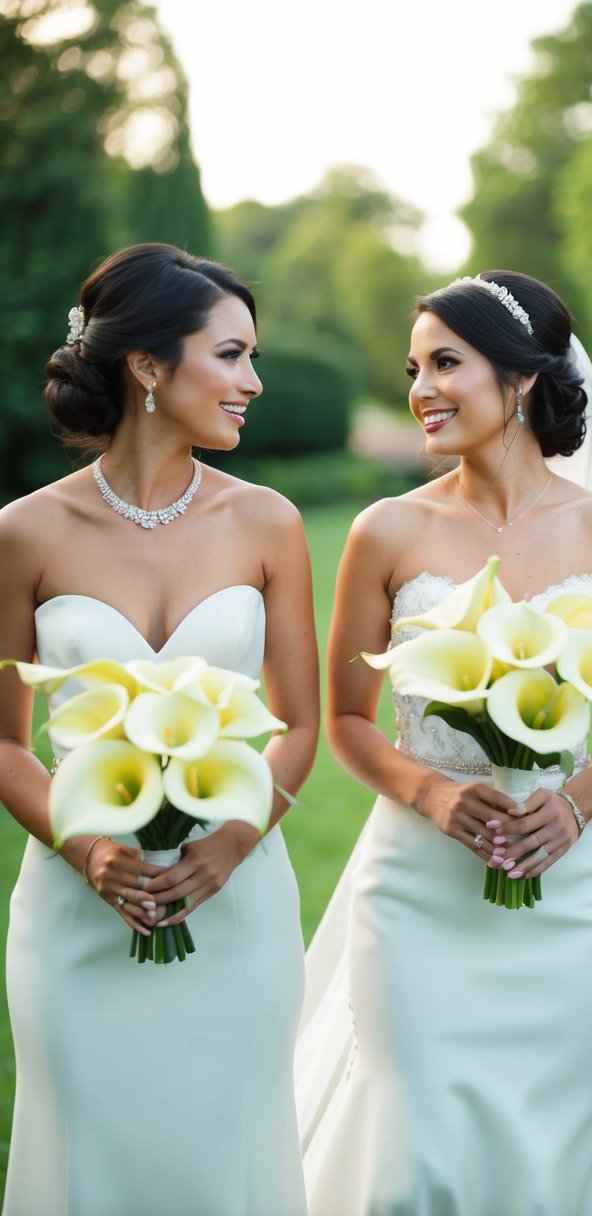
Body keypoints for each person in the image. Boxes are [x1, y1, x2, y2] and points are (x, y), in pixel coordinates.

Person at [296, 270, 592, 1215]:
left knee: (552, 1137)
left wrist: (574, 806)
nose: (421, 388)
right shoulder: (387, 530)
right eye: (413, 367)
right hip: (418, 885)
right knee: (416, 1146)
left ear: (524, 378)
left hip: (567, 885)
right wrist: (430, 793)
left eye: (445, 363)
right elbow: (342, 719)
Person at [0, 243, 319, 1216]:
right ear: (147, 364)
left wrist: (230, 845)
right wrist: (88, 848)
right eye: (230, 355)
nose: (253, 381)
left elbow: (300, 722)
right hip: (74, 913)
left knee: (226, 1159)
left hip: (236, 900)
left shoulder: (268, 523)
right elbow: (7, 741)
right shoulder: (24, 532)